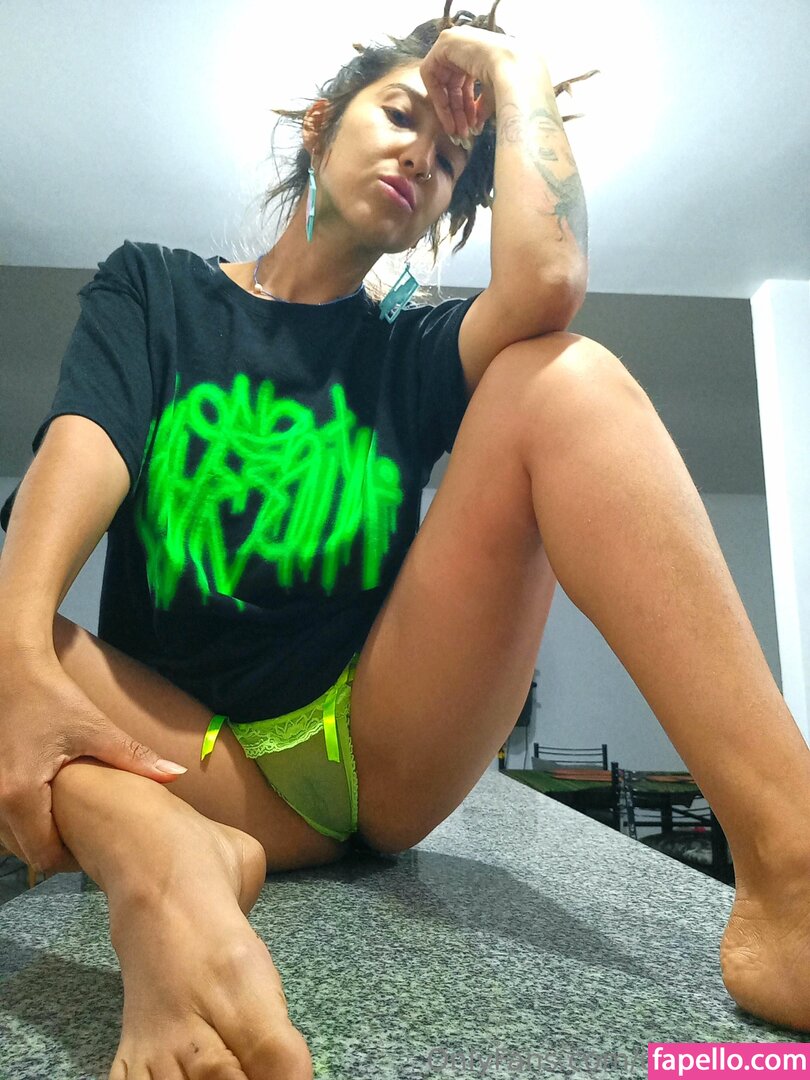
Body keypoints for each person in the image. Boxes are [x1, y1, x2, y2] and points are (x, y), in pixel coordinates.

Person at [1, 2, 808, 1076]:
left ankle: (794, 873)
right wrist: (20, 659)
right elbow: (84, 447)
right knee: (5, 629)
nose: (421, 158)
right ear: (319, 124)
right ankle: (164, 858)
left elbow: (548, 285)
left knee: (562, 377)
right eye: (398, 116)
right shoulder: (157, 290)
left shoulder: (411, 350)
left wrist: (512, 72)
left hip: (375, 745)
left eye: (449, 163)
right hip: (184, 752)